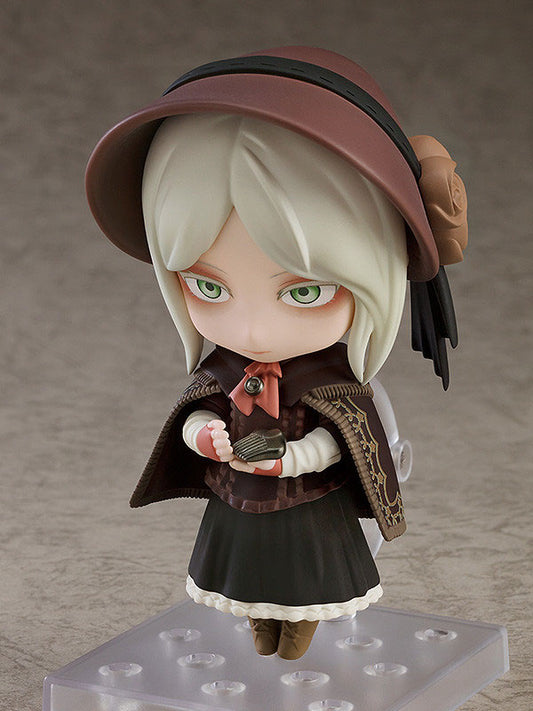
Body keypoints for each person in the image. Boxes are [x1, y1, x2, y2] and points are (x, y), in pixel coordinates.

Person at [85, 47, 468, 659]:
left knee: (308, 590)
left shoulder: (333, 384)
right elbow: (197, 413)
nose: (253, 327)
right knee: (245, 589)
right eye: (209, 288)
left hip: (309, 509)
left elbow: (344, 442)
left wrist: (292, 459)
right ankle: (260, 630)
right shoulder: (222, 369)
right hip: (238, 506)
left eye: (304, 292)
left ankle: (297, 637)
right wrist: (203, 434)